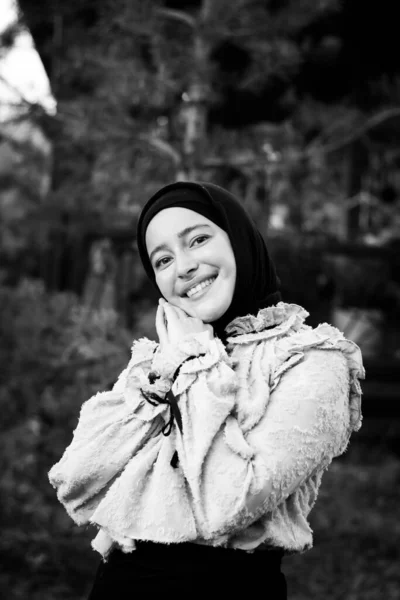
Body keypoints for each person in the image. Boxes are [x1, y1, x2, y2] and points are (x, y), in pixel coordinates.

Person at [49, 181, 365, 599]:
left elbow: (228, 505)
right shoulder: (161, 362)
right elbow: (75, 479)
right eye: (163, 260)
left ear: (238, 240)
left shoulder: (312, 360)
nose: (183, 267)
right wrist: (167, 372)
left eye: (198, 239)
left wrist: (199, 364)